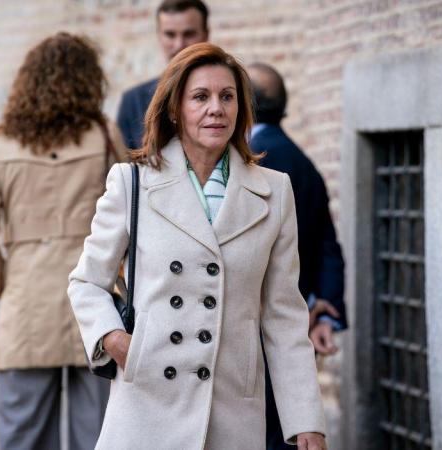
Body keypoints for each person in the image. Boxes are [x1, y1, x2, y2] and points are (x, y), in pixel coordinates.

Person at [67, 43, 328, 450]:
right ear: (175, 108)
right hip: (148, 401)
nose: (216, 109)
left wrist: (305, 420)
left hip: (232, 410)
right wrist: (116, 341)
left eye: (227, 97)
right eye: (201, 97)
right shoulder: (132, 183)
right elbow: (87, 282)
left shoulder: (274, 192)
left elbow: (284, 316)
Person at [0, 32, 127, 450]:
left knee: (24, 437)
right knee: (101, 437)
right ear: (90, 80)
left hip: (25, 311)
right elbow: (132, 221)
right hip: (96, 306)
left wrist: (8, 285)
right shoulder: (104, 136)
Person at [248, 63, 347, 450]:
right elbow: (327, 244)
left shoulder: (254, 164)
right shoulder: (304, 163)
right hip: (300, 316)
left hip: (264, 323)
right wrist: (325, 309)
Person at [116, 0, 209, 150]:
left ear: (205, 35)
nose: (179, 45)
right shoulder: (133, 101)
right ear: (159, 36)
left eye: (189, 34)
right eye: (170, 34)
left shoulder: (234, 94)